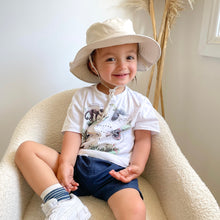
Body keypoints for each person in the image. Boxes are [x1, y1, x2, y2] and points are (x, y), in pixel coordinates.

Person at [15, 18, 161, 220]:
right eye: (111, 59)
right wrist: (66, 164)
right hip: (80, 166)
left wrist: (137, 166)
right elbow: (73, 132)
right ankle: (61, 202)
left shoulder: (140, 103)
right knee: (26, 150)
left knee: (136, 211)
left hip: (115, 173)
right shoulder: (83, 97)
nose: (122, 65)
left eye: (130, 57)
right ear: (93, 66)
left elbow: (144, 138)